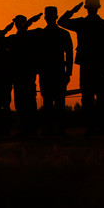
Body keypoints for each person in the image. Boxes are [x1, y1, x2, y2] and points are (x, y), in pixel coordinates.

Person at [59, 0, 104, 135]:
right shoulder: (102, 24)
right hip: (97, 65)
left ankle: (94, 127)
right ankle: (99, 127)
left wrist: (73, 11)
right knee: (98, 98)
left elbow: (62, 21)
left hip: (90, 65)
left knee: (91, 98)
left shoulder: (83, 23)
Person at [1, 13, 42, 136]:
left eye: (17, 23)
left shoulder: (30, 35)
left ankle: (30, 128)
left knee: (27, 102)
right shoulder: (15, 37)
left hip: (26, 73)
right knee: (22, 102)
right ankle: (26, 128)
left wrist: (8, 30)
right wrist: (7, 30)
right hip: (19, 74)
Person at [37, 7, 73, 135]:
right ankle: (56, 128)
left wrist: (68, 72)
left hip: (50, 71)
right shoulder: (62, 34)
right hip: (53, 71)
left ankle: (52, 128)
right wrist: (68, 72)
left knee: (52, 102)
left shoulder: (42, 34)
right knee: (56, 102)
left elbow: (69, 54)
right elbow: (69, 55)